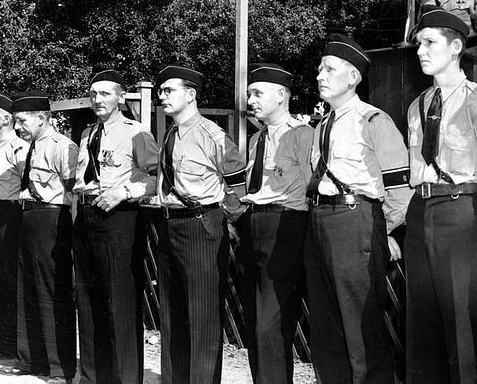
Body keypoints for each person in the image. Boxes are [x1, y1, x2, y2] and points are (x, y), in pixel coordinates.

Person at [406, 8, 477, 382]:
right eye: (418, 44)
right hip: (421, 212)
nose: (420, 51)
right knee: (422, 328)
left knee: (463, 330)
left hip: (463, 214)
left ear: (455, 48)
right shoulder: (417, 106)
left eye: (429, 42)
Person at [304, 33, 413, 383]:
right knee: (327, 325)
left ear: (352, 77)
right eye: (319, 69)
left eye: (329, 69)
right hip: (319, 221)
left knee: (361, 327)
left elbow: (400, 188)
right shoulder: (322, 125)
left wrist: (386, 232)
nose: (320, 76)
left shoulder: (374, 121)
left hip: (356, 221)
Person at [154, 65, 245, 384]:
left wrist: (226, 219)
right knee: (172, 314)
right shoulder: (170, 134)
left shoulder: (212, 135)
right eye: (161, 90)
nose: (162, 96)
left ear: (190, 94)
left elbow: (238, 186)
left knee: (203, 318)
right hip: (170, 225)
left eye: (169, 90)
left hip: (200, 225)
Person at [72, 69, 158, 383]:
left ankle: (125, 378)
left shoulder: (137, 133)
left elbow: (157, 178)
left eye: (106, 93)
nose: (98, 99)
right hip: (87, 215)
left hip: (119, 218)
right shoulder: (87, 133)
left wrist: (124, 191)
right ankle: (93, 377)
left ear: (121, 97)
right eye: (93, 94)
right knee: (88, 298)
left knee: (120, 301)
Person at [237, 63, 313, 383]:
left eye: (257, 93)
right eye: (249, 94)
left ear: (281, 95)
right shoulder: (257, 139)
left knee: (271, 324)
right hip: (253, 225)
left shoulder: (301, 135)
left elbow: (312, 187)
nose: (250, 100)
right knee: (255, 323)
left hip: (285, 226)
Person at [0, 91, 78, 384]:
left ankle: (59, 368)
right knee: (27, 290)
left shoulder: (62, 146)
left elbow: (72, 192)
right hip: (29, 217)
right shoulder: (32, 146)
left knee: (51, 293)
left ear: (42, 118)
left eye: (22, 121)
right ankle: (31, 359)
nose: (18, 127)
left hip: (51, 219)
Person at [0, 93, 27, 359]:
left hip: (8, 212)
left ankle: (8, 345)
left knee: (7, 277)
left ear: (6, 119)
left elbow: (27, 183)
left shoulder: (19, 148)